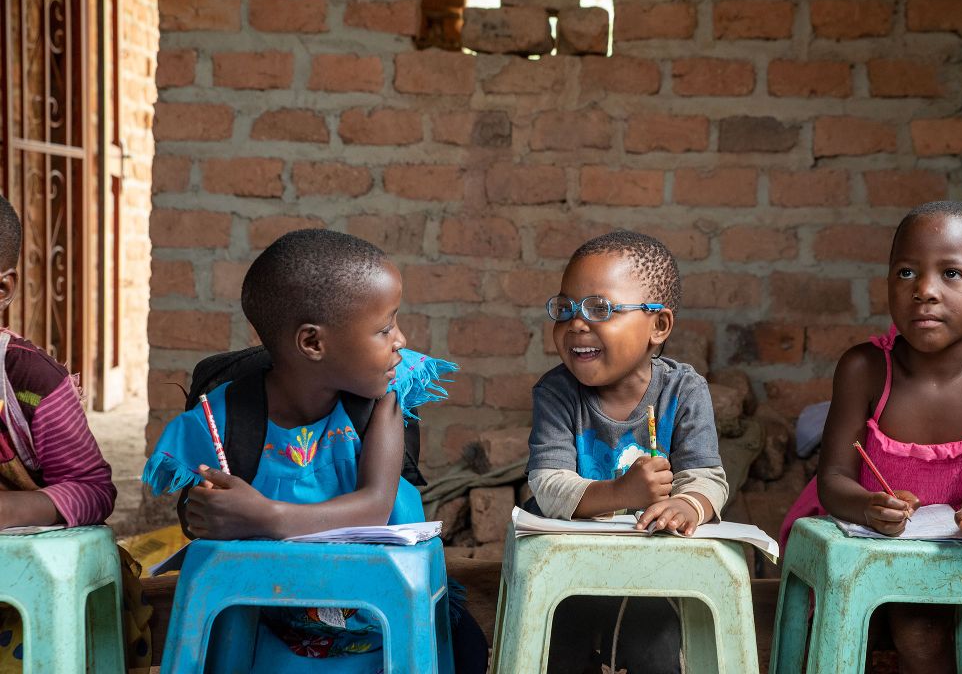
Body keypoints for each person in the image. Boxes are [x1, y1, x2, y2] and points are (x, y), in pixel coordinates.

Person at [144, 229, 486, 673]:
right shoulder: (226, 418)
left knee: (469, 652)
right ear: (313, 343)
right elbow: (199, 517)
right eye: (384, 328)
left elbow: (375, 506)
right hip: (275, 630)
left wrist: (267, 516)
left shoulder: (382, 399)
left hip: (385, 628)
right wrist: (205, 510)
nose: (401, 339)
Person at [780, 201, 962, 674]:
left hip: (942, 554)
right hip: (855, 539)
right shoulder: (864, 368)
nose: (924, 291)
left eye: (952, 274)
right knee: (868, 630)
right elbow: (834, 478)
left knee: (919, 629)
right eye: (905, 273)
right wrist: (868, 506)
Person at [527, 230, 728, 674]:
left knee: (654, 650)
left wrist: (687, 504)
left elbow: (707, 477)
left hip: (653, 569)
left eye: (600, 309)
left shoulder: (684, 390)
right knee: (557, 650)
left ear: (658, 326)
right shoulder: (557, 393)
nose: (577, 323)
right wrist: (623, 493)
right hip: (568, 573)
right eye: (566, 309)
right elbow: (548, 486)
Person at [0, 194, 130, 670]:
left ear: (2, 289)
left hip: (19, 597)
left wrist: (15, 508)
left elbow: (96, 491)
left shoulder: (33, 384)